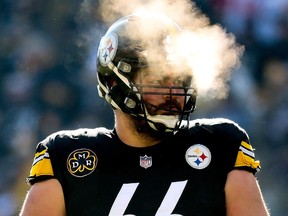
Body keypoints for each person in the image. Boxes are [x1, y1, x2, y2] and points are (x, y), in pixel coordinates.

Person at [19, 12, 270, 216]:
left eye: (179, 79)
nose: (172, 93)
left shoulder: (221, 144)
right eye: (158, 79)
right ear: (116, 84)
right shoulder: (67, 156)